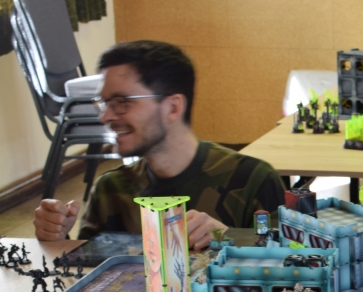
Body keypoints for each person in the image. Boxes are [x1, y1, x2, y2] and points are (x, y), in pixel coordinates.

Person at [33, 40, 284, 250]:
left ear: (172, 107)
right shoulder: (110, 190)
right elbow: (90, 275)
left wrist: (231, 239)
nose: (105, 116)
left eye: (122, 102)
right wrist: (58, 238)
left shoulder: (252, 180)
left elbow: (293, 264)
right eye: (104, 103)